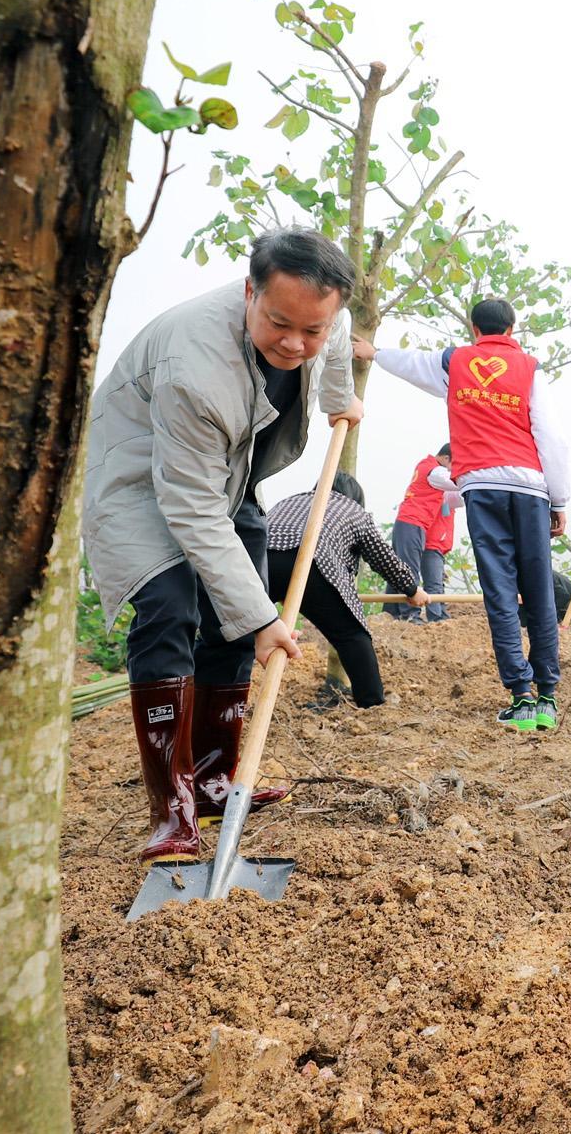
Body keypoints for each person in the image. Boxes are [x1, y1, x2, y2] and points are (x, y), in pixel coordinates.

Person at [82, 227, 364, 863]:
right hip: (140, 476)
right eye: (279, 324)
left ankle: (213, 783)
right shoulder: (196, 370)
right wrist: (263, 621)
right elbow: (189, 505)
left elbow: (336, 350)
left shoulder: (321, 315)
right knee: (172, 608)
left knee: (236, 618)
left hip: (224, 474)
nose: (296, 343)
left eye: (311, 330)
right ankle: (172, 808)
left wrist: (342, 403)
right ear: (250, 293)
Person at [355, 299, 571, 731]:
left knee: (500, 590)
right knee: (539, 587)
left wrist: (374, 354)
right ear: (513, 327)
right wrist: (559, 499)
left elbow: (412, 363)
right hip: (530, 487)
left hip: (483, 487)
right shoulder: (529, 367)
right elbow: (548, 432)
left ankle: (521, 697)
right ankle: (547, 694)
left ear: (474, 328)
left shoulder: (456, 361)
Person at [265, 472, 428, 709]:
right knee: (351, 635)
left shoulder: (289, 501)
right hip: (312, 561)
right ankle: (372, 705)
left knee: (237, 631)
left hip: (259, 561)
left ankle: (215, 690)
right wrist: (412, 589)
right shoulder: (352, 509)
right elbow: (383, 558)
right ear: (355, 497)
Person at [386, 444, 455, 624]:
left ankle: (391, 612)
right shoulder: (436, 472)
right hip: (412, 523)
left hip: (411, 523)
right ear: (446, 458)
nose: (452, 469)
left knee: (400, 567)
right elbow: (454, 481)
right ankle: (410, 614)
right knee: (409, 570)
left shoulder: (427, 467)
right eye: (453, 465)